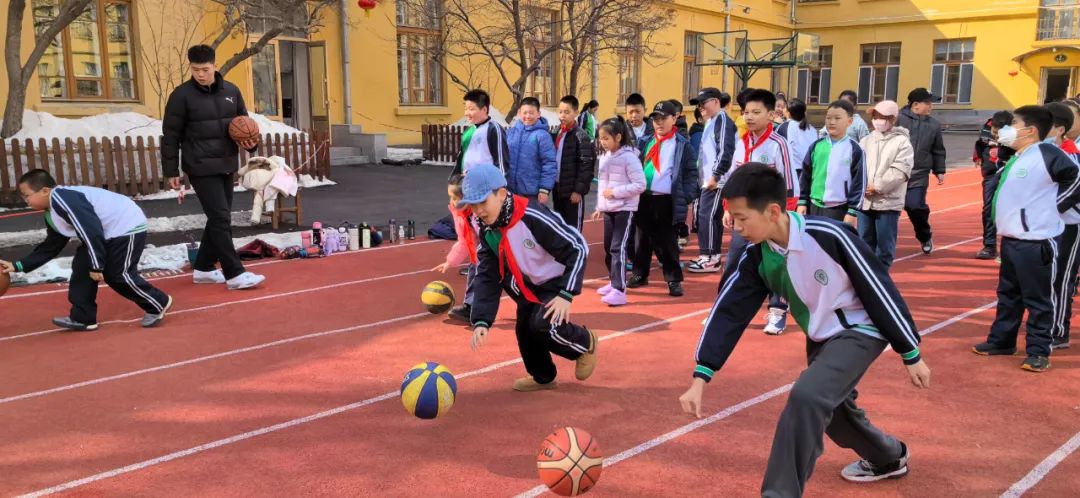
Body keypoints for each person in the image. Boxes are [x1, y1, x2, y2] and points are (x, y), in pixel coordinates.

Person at [680, 164, 931, 498]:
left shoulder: (829, 236)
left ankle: (779, 493)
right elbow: (728, 314)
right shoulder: (757, 257)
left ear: (772, 211)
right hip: (821, 336)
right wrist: (702, 375)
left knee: (807, 396)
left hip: (861, 330)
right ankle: (888, 457)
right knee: (837, 415)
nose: (736, 229)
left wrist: (909, 350)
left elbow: (878, 287)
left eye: (742, 219)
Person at [463, 164, 597, 392]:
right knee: (525, 331)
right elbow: (487, 273)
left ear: (502, 194)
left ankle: (584, 343)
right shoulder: (487, 228)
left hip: (555, 281)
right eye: (473, 205)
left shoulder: (531, 215)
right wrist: (482, 319)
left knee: (543, 325)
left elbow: (577, 247)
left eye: (483, 202)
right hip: (526, 285)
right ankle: (542, 376)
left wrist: (566, 293)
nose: (478, 211)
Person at [974, 105, 1080, 372]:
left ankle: (1038, 351)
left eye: (1014, 124)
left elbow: (1076, 179)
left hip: (1036, 240)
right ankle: (1002, 340)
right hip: (1011, 239)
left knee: (1038, 298)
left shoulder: (1046, 153)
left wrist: (1056, 206)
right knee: (1008, 294)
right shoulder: (1021, 155)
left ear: (1031, 130)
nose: (1008, 129)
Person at [0, 170, 174, 331]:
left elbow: (90, 229)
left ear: (45, 191)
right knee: (82, 267)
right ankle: (83, 318)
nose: (26, 201)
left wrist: (97, 265)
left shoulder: (63, 199)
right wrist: (19, 265)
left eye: (27, 196)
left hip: (126, 226)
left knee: (117, 274)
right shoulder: (51, 210)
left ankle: (157, 302)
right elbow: (52, 245)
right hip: (105, 232)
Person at [162, 44, 264, 290]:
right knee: (220, 218)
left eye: (205, 69)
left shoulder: (232, 91)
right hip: (199, 166)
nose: (200, 74)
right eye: (195, 69)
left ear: (215, 65)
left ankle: (204, 268)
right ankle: (235, 273)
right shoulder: (181, 95)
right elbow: (170, 135)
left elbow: (244, 125)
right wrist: (171, 170)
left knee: (219, 218)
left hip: (226, 164)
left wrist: (251, 145)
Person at [721, 89, 796, 335]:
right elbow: (732, 177)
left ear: (771, 114)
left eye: (756, 112)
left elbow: (789, 182)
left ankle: (777, 311)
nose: (749, 117)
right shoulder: (742, 143)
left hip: (771, 218)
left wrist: (786, 217)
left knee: (776, 265)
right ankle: (724, 308)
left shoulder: (778, 144)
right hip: (745, 218)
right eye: (746, 112)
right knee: (734, 261)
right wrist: (728, 209)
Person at [626, 100, 699, 297]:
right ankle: (640, 274)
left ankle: (673, 279)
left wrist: (687, 196)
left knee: (667, 242)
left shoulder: (682, 145)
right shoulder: (645, 141)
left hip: (667, 199)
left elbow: (692, 173)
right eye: (656, 119)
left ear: (674, 118)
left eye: (663, 118)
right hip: (644, 197)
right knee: (641, 240)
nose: (659, 123)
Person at [593, 116, 647, 306]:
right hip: (609, 209)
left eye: (606, 138)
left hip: (625, 209)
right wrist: (599, 206)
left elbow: (640, 185)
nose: (602, 142)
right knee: (609, 247)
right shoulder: (606, 157)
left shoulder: (629, 158)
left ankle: (619, 289)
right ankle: (613, 280)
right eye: (600, 138)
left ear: (618, 137)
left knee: (618, 248)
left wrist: (615, 193)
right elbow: (602, 186)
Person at [858, 100, 914, 269]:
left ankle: (881, 282)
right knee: (864, 245)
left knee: (884, 248)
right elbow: (857, 166)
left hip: (888, 202)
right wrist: (862, 186)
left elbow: (900, 171)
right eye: (875, 116)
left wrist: (877, 186)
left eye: (882, 117)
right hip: (865, 202)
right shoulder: (866, 140)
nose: (878, 120)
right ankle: (866, 281)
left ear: (893, 119)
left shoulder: (902, 142)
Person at [687, 87, 736, 274]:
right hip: (707, 180)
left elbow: (725, 150)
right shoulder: (711, 122)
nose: (701, 108)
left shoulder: (722, 121)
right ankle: (709, 254)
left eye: (703, 103)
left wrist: (715, 175)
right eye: (698, 105)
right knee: (708, 216)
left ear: (716, 101)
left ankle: (710, 257)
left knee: (707, 216)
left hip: (717, 181)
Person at [797, 99, 865, 224]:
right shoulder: (816, 146)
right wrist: (802, 201)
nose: (832, 122)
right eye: (828, 118)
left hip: (839, 209)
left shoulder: (854, 149)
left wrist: (852, 211)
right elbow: (805, 175)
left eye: (837, 118)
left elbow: (859, 183)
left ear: (849, 121)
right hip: (813, 206)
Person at [1046, 102, 1080, 351]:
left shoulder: (1072, 152)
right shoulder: (1048, 149)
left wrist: (1050, 208)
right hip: (1049, 224)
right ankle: (1048, 321)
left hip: (1071, 222)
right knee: (1048, 276)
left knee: (1062, 278)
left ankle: (1058, 330)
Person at [896, 88, 946, 255]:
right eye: (928, 103)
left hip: (919, 174)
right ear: (915, 105)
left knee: (915, 206)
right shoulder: (897, 120)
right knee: (887, 211)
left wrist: (939, 170)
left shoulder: (933, 125)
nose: (931, 106)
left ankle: (924, 236)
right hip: (893, 174)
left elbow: (938, 149)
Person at [432, 175, 480, 317]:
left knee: (511, 283)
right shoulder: (458, 213)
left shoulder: (479, 213)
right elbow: (463, 241)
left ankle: (534, 304)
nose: (451, 202)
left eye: (454, 197)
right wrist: (450, 261)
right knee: (475, 273)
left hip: (495, 252)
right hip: (479, 255)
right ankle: (471, 308)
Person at [973, 111, 1016, 260]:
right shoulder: (986, 128)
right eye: (994, 132)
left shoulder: (1016, 133)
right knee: (989, 208)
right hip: (991, 174)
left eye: (999, 133)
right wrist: (978, 157)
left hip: (1012, 173)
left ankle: (1010, 247)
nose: (996, 135)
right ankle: (990, 246)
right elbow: (979, 144)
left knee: (1012, 210)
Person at [553, 95, 597, 232]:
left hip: (572, 192)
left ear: (576, 113)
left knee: (574, 230)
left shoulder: (581, 136)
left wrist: (578, 191)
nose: (562, 115)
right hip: (558, 189)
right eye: (560, 111)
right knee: (561, 228)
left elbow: (586, 165)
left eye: (567, 112)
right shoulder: (557, 132)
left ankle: (579, 253)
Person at [507, 97, 558, 202]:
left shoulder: (542, 136)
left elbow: (549, 163)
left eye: (531, 113)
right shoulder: (510, 133)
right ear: (519, 113)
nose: (527, 116)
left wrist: (544, 189)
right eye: (525, 113)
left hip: (531, 194)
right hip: (509, 191)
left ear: (538, 114)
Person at [452, 89, 510, 176]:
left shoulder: (494, 129)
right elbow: (461, 159)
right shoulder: (468, 131)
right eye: (466, 109)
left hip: (487, 186)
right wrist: (453, 180)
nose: (467, 113)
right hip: (467, 183)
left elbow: (501, 163)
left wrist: (498, 185)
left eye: (471, 109)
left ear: (484, 109)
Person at [775, 98, 817, 182]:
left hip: (793, 171)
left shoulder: (784, 127)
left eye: (784, 108)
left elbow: (776, 147)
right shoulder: (812, 129)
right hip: (810, 171)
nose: (782, 110)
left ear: (788, 113)